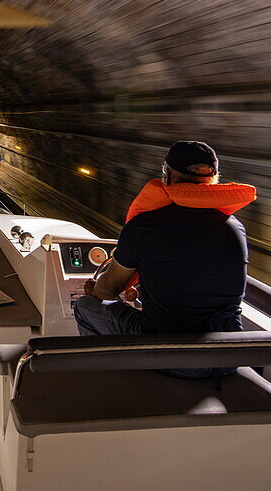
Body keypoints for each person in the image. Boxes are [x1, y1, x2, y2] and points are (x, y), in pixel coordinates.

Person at [74, 141, 257, 375]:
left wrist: (99, 293)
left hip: (169, 355)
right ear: (214, 178)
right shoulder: (236, 229)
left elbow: (106, 291)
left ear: (168, 174)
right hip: (227, 357)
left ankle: (114, 383)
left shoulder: (144, 226)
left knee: (85, 306)